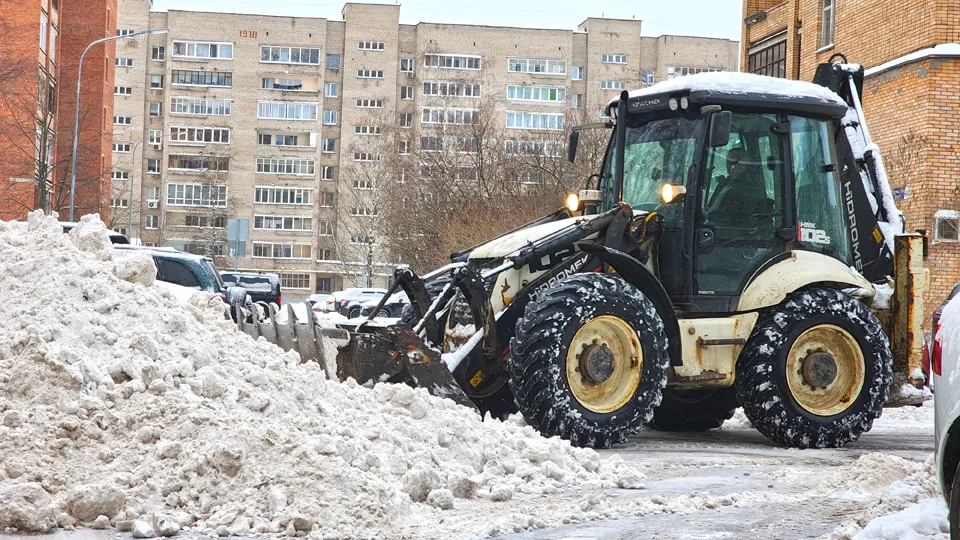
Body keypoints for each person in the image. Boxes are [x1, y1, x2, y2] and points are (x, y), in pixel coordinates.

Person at [704, 147, 767, 221]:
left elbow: (741, 216)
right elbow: (712, 207)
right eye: (727, 161)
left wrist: (710, 215)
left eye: (731, 162)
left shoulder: (751, 188)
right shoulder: (724, 184)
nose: (728, 165)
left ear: (743, 164)